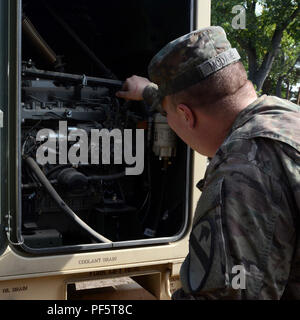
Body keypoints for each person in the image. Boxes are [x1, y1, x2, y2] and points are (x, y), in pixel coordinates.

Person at [116, 26, 300, 299]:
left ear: (185, 116)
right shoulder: (285, 115)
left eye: (167, 114)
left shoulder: (241, 173)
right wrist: (149, 93)